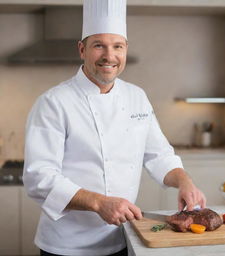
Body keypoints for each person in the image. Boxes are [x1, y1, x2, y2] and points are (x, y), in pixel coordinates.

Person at [23, 0, 206, 255]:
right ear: (82, 49)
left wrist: (184, 181)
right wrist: (99, 203)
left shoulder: (137, 96)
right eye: (99, 45)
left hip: (123, 237)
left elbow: (159, 154)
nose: (109, 56)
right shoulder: (53, 102)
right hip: (67, 245)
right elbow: (38, 177)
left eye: (117, 46)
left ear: (125, 49)